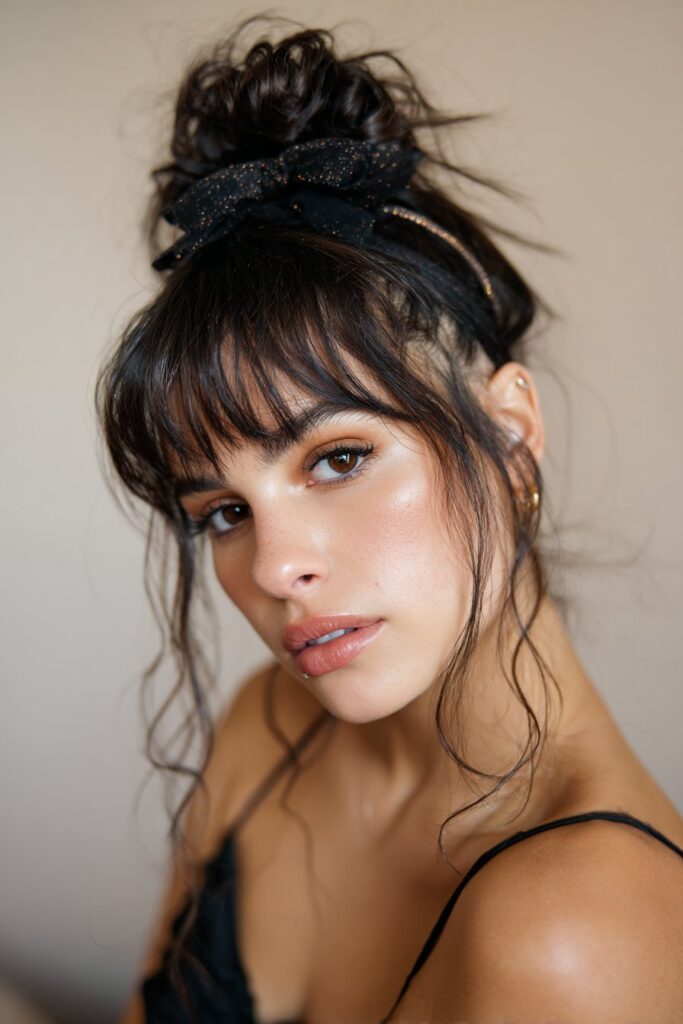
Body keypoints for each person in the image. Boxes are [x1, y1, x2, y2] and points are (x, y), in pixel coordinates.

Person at [97, 17, 683, 1024]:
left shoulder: (580, 931)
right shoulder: (263, 727)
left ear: (508, 435)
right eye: (225, 511)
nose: (272, 568)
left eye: (336, 459)